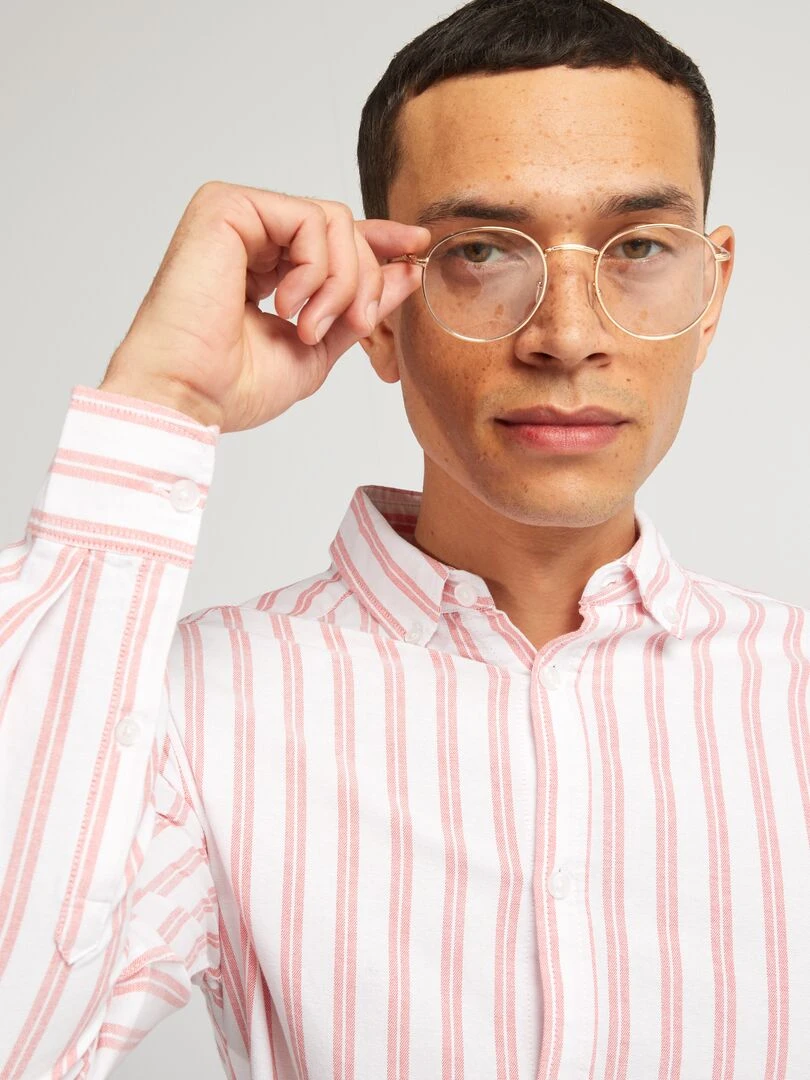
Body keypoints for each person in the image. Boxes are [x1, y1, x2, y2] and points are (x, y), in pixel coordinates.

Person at [1, 0, 808, 1074]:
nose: (568, 336)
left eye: (641, 247)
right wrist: (162, 399)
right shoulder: (197, 710)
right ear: (383, 311)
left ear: (711, 294)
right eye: (483, 251)